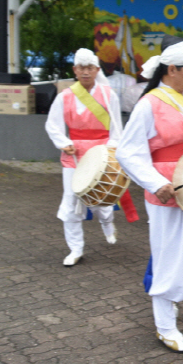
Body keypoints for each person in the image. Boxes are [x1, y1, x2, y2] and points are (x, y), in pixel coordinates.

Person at [116, 38, 183, 353]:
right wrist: (154, 183)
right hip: (167, 191)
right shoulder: (148, 103)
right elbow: (128, 151)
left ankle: (169, 292)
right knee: (170, 258)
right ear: (173, 69)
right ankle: (165, 325)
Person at [45, 48, 123, 267]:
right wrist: (63, 142)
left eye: (90, 68)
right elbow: (52, 125)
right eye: (81, 68)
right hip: (74, 154)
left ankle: (107, 223)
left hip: (101, 154)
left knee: (100, 200)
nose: (86, 72)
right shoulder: (65, 96)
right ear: (75, 70)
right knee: (71, 199)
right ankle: (75, 248)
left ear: (97, 70)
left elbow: (117, 129)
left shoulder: (109, 95)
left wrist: (111, 150)